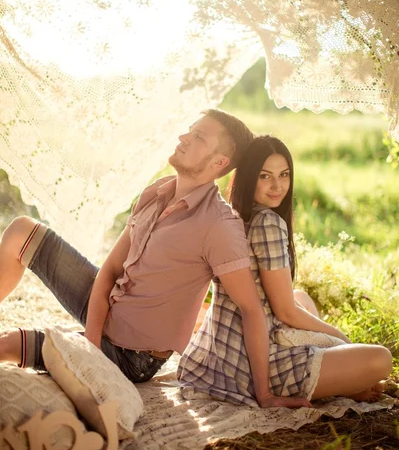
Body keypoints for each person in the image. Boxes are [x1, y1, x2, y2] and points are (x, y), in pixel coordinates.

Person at [0, 110, 310, 408]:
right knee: (21, 231)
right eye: (190, 130)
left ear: (219, 162)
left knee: (9, 344)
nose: (183, 137)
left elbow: (250, 309)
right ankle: (83, 345)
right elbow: (109, 271)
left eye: (198, 136)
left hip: (133, 355)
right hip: (108, 310)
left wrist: (265, 393)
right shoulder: (156, 192)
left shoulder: (219, 225)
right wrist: (91, 344)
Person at [178, 135, 392, 405]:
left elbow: (284, 304)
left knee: (300, 296)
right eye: (265, 176)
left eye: (284, 174)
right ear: (248, 177)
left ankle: (342, 381)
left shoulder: (234, 214)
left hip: (224, 350)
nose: (277, 186)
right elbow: (285, 311)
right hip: (256, 364)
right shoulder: (267, 222)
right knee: (380, 359)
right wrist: (340, 339)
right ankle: (341, 382)